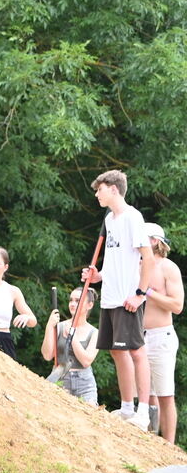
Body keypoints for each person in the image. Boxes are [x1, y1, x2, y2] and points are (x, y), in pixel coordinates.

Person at [80, 170, 156, 430]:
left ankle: (143, 413)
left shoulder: (132, 218)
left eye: (99, 189)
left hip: (127, 296)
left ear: (113, 189)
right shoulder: (109, 219)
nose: (96, 194)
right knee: (115, 350)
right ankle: (126, 407)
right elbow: (115, 260)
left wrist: (139, 293)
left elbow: (149, 258)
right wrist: (96, 275)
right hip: (110, 297)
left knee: (136, 350)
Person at [141, 222, 182, 442]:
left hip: (161, 336)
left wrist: (148, 293)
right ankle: (149, 441)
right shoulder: (136, 265)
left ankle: (169, 446)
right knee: (147, 395)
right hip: (139, 336)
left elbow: (177, 306)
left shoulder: (168, 267)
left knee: (165, 394)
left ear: (155, 241)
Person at [42, 286, 101, 405]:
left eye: (78, 301)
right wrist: (49, 326)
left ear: (89, 305)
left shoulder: (95, 333)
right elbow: (47, 355)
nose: (73, 304)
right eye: (71, 300)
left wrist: (72, 337)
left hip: (85, 384)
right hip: (61, 378)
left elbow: (86, 361)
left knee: (89, 417)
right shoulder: (59, 326)